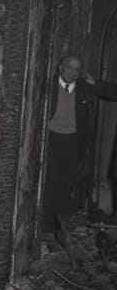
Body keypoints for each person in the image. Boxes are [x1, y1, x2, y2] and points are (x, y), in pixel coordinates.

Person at [43, 55, 117, 245]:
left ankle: (60, 223)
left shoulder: (83, 86)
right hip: (51, 138)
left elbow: (112, 92)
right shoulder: (47, 85)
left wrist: (97, 84)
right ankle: (45, 222)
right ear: (60, 67)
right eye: (69, 68)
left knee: (67, 181)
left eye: (77, 69)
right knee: (49, 180)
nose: (73, 73)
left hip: (73, 141)